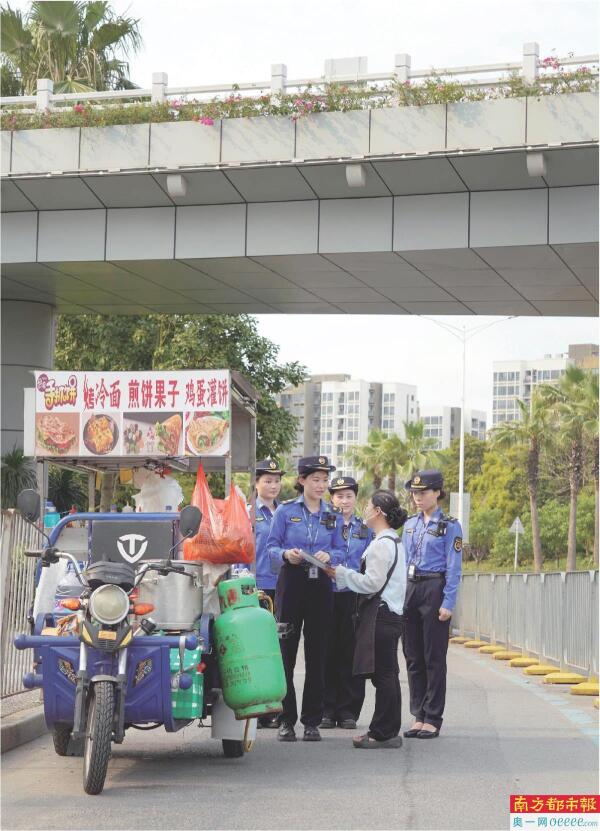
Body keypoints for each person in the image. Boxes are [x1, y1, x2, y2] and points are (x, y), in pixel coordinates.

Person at [267, 456, 345, 743]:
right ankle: (285, 720)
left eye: (325, 480)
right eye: (316, 479)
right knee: (285, 652)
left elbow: (342, 549)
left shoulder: (333, 514)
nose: (321, 485)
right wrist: (286, 554)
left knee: (318, 654)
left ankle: (312, 721)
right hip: (291, 582)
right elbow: (271, 547)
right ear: (302, 481)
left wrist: (330, 556)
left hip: (320, 583)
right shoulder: (285, 511)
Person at [325, 489, 407, 749]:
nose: (365, 510)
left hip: (381, 615)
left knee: (383, 676)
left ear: (378, 512)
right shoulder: (392, 540)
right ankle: (387, 730)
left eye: (369, 506)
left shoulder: (382, 544)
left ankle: (381, 733)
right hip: (390, 614)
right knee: (388, 674)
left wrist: (341, 574)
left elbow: (372, 583)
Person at [402, 470, 462, 740]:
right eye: (415, 492)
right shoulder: (409, 524)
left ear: (437, 492)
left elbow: (454, 566)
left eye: (423, 492)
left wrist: (448, 601)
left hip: (434, 587)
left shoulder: (450, 526)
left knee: (433, 657)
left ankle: (433, 718)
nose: (418, 497)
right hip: (411, 588)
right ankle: (418, 714)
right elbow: (404, 561)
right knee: (413, 655)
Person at [321, 476, 373, 730]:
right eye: (339, 496)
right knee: (325, 652)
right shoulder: (323, 524)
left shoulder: (365, 529)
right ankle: (326, 709)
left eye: (348, 496)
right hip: (326, 592)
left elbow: (372, 563)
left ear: (355, 498)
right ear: (332, 499)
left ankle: (348, 711)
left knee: (351, 653)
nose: (344, 501)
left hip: (354, 594)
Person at [252, 458, 284, 729]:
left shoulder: (285, 512)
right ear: (256, 483)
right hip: (258, 585)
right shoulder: (248, 512)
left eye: (277, 481)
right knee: (259, 647)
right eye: (267, 481)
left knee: (280, 648)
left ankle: (276, 708)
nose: (273, 486)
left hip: (284, 584)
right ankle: (259, 709)